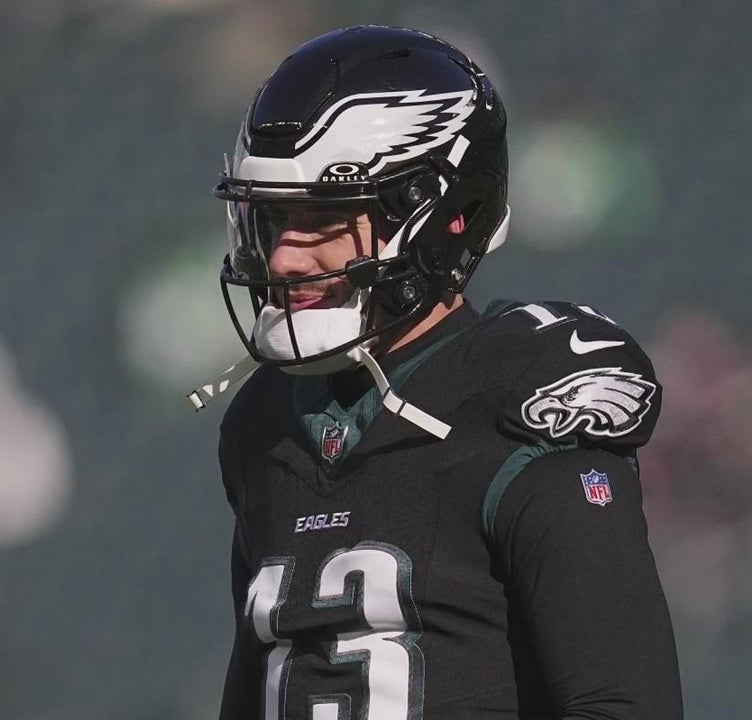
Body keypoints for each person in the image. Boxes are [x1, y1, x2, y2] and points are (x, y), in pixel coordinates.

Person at [195, 25, 684, 720]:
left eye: (323, 218)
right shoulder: (267, 423)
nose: (283, 259)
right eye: (274, 220)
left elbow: (622, 704)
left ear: (443, 217)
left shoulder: (521, 400)